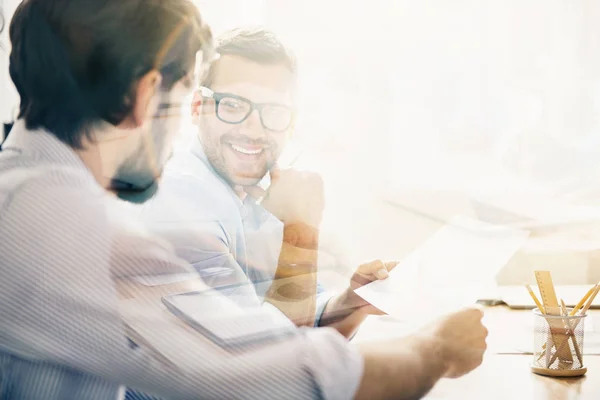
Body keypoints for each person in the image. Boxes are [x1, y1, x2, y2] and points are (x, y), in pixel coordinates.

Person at [0, 1, 487, 400]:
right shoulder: (72, 226)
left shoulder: (28, 188)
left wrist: (339, 306)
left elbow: (251, 335)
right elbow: (282, 380)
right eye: (192, 92)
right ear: (147, 96)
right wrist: (436, 348)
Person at [137, 27, 400, 335]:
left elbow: (299, 317)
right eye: (233, 105)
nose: (254, 131)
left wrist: (350, 304)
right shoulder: (180, 199)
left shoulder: (263, 190)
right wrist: (302, 228)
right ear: (198, 108)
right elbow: (273, 355)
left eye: (274, 111)